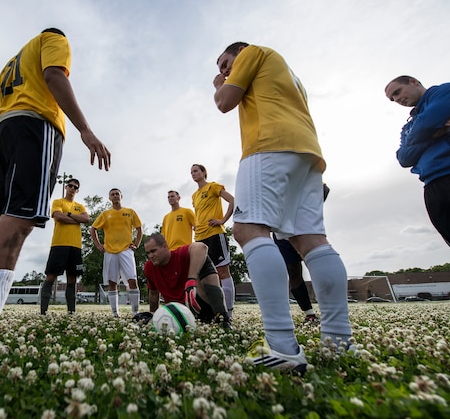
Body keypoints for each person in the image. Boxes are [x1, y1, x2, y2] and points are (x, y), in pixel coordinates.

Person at [0, 28, 110, 359]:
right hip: (36, 124)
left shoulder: (10, 63)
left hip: (2, 132)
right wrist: (86, 130)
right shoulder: (54, 39)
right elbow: (53, 75)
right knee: (18, 222)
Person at [213, 42, 352, 373]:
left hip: (268, 146)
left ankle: (282, 346)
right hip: (307, 152)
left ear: (239, 52)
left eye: (225, 62)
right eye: (220, 68)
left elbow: (224, 103)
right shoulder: (288, 72)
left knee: (248, 229)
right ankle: (339, 341)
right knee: (311, 240)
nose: (223, 70)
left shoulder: (253, 53)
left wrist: (219, 86)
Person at [385, 76, 450, 268]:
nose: (397, 99)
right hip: (432, 185)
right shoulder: (409, 125)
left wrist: (426, 131)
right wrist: (438, 131)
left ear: (414, 82)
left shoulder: (449, 91)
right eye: (392, 99)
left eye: (398, 91)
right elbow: (404, 158)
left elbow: (425, 125)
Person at [142, 234, 230, 328]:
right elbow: (153, 294)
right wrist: (154, 315)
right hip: (176, 311)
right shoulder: (149, 267)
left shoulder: (179, 255)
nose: (151, 256)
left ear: (165, 247)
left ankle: (222, 318)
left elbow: (201, 247)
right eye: (148, 253)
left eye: (153, 251)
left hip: (198, 303)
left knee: (204, 261)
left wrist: (191, 279)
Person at [274, 183, 331, 324]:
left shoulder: (295, 168)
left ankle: (332, 312)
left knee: (318, 265)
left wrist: (309, 210)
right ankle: (309, 313)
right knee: (293, 271)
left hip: (304, 227)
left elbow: (323, 188)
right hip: (281, 231)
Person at [190, 164, 236, 320]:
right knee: (202, 277)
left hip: (215, 234)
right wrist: (196, 225)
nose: (193, 174)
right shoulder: (194, 195)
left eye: (196, 171)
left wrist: (222, 220)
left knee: (222, 272)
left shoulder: (213, 186)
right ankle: (209, 313)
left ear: (204, 173)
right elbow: (198, 214)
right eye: (191, 172)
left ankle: (228, 312)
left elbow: (232, 200)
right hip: (199, 239)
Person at [40, 178, 90, 315]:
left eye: (75, 187)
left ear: (77, 190)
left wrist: (68, 214)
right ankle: (43, 311)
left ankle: (71, 312)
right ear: (66, 187)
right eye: (70, 186)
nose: (72, 188)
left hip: (75, 246)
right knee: (51, 276)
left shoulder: (80, 206)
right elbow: (58, 216)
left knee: (72, 278)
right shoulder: (58, 202)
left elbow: (86, 219)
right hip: (59, 244)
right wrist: (75, 219)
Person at [90, 188, 142, 317]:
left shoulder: (130, 212)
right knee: (112, 282)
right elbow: (93, 229)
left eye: (117, 194)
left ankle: (135, 312)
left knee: (132, 280)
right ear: (109, 198)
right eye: (112, 194)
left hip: (126, 250)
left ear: (121, 196)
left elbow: (139, 229)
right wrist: (98, 244)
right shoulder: (105, 214)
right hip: (110, 251)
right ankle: (115, 313)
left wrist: (136, 244)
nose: (115, 196)